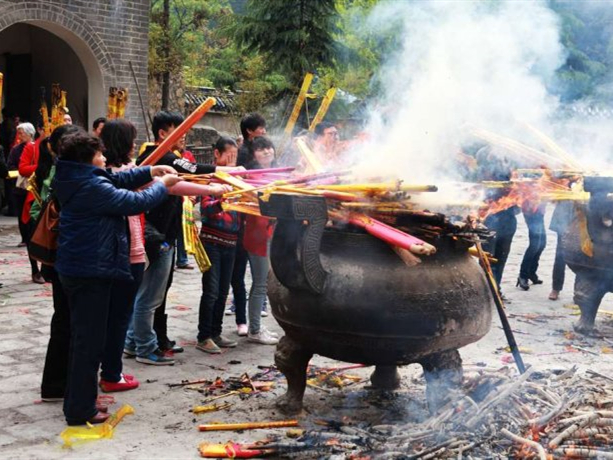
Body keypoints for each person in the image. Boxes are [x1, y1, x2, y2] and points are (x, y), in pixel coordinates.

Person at [53, 129, 180, 425]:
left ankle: (80, 401)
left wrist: (149, 170)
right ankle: (79, 409)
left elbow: (117, 178)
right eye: (99, 154)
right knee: (88, 341)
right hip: (89, 270)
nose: (104, 158)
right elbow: (133, 202)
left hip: (84, 267)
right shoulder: (88, 185)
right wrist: (162, 185)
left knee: (86, 338)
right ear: (88, 159)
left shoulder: (79, 176)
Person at [127, 111, 231, 365]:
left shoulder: (161, 157)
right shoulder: (162, 156)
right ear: (163, 133)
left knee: (154, 293)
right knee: (151, 295)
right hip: (156, 236)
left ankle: (141, 340)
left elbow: (185, 178)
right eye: (180, 132)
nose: (184, 138)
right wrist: (220, 175)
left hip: (164, 233)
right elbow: (188, 173)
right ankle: (146, 345)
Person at [38, 125, 80, 402]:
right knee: (66, 321)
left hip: (60, 259)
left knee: (65, 320)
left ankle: (59, 382)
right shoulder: (66, 176)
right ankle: (56, 384)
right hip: (64, 259)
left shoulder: (63, 173)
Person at [196, 136, 242, 353]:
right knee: (211, 291)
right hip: (212, 241)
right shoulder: (209, 179)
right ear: (216, 154)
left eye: (236, 155)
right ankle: (203, 336)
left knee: (223, 291)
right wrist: (224, 197)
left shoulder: (239, 179)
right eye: (228, 155)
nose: (233, 160)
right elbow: (205, 210)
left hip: (231, 242)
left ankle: (216, 331)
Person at [242, 136, 280, 345]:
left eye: (269, 148)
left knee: (262, 282)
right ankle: (254, 329)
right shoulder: (251, 176)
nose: (266, 152)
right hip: (257, 235)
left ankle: (256, 325)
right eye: (261, 149)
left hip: (269, 235)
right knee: (259, 283)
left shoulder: (277, 174)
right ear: (253, 154)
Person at [8, 122, 43, 282]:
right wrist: (41, 167)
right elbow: (21, 169)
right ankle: (35, 269)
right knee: (30, 229)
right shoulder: (28, 148)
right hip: (28, 192)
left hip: (49, 192)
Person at [516, 201, 547, 290]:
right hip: (531, 209)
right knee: (535, 245)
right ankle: (523, 275)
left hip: (539, 209)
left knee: (542, 244)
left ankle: (531, 272)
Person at [548, 200, 574, 301]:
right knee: (560, 256)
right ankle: (556, 288)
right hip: (565, 215)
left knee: (583, 257)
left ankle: (579, 291)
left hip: (583, 214)